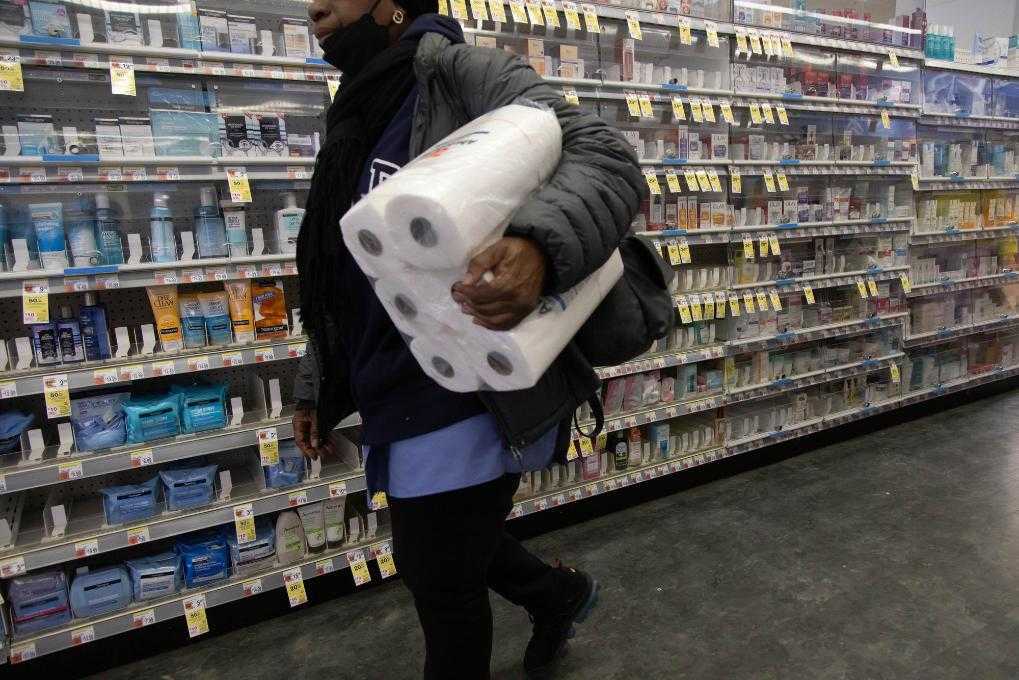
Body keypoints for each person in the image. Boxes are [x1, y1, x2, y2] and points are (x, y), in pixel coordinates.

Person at [293, 0, 644, 677]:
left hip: (467, 381)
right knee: (448, 548)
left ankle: (555, 597)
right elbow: (340, 274)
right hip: (389, 376)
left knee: (439, 578)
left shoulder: (461, 74)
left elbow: (604, 155)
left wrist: (536, 246)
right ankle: (558, 595)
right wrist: (315, 382)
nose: (315, 6)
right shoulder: (354, 111)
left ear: (394, 7)